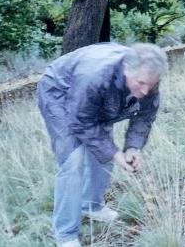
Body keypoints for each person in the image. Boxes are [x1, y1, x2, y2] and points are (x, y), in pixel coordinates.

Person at [37, 42, 168, 247]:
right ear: (127, 70)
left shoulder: (148, 77)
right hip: (59, 92)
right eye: (141, 83)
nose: (145, 91)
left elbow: (145, 116)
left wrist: (132, 147)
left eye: (150, 85)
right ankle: (66, 234)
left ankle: (92, 206)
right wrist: (115, 153)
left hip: (95, 97)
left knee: (104, 150)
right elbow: (81, 120)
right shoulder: (95, 76)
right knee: (73, 160)